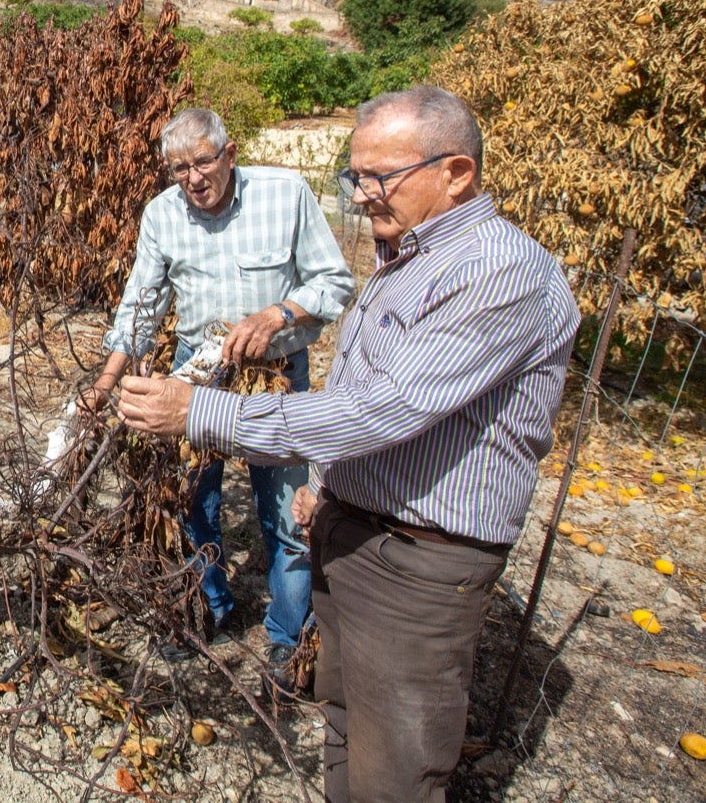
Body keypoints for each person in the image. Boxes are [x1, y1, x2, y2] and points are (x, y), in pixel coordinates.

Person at [115, 86, 579, 802]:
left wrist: (236, 374)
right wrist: (327, 481)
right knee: (345, 718)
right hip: (317, 481)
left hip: (413, 549)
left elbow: (384, 406)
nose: (359, 197)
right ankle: (214, 607)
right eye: (354, 177)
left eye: (377, 177)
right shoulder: (412, 258)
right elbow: (363, 386)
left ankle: (283, 637)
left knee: (391, 755)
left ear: (456, 173)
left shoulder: (494, 271)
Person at [84, 107, 354, 687]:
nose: (193, 178)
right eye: (178, 168)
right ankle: (207, 607)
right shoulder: (162, 214)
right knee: (191, 500)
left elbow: (334, 283)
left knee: (288, 507)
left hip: (275, 373)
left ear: (230, 154)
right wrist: (104, 385)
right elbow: (140, 307)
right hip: (197, 371)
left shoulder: (285, 194)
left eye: (203, 162)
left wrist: (277, 315)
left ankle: (287, 635)